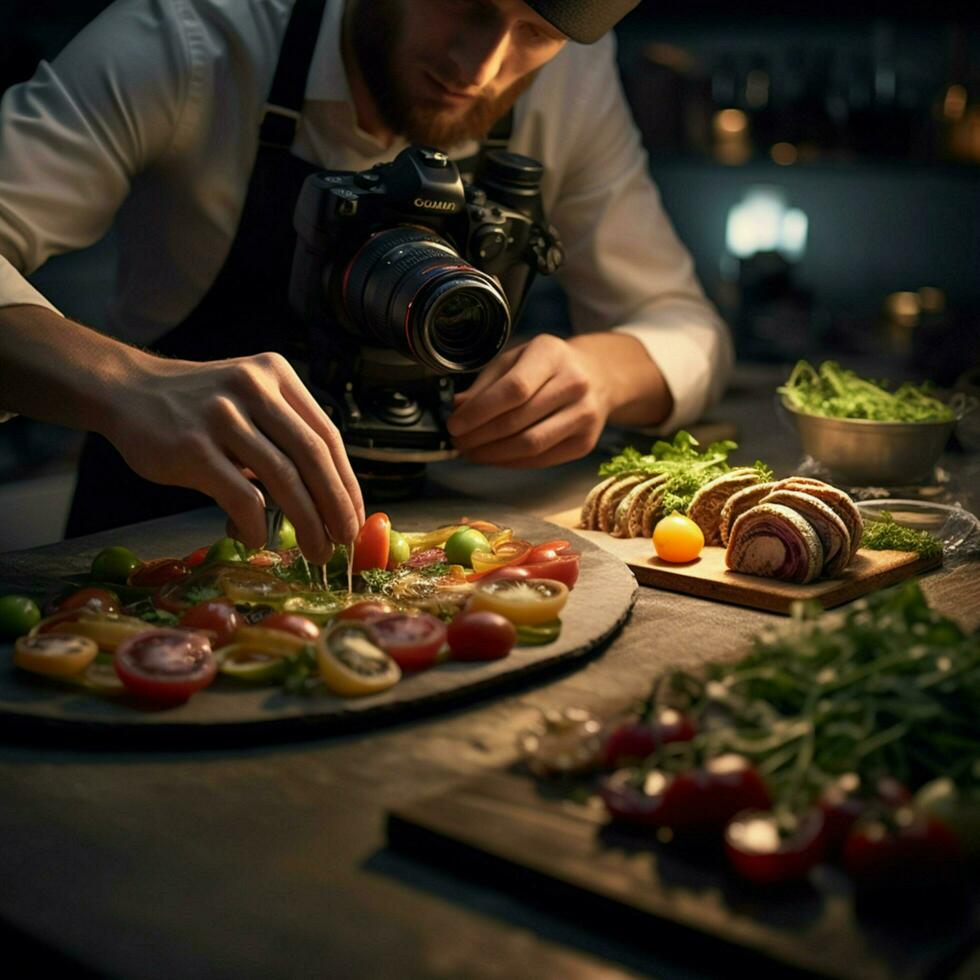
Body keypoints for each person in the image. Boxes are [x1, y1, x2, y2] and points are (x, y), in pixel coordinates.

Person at [0, 0, 732, 563]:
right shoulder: (195, 34)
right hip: (163, 532)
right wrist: (130, 386)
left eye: (534, 33)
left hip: (427, 544)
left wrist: (600, 374)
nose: (480, 67)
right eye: (466, 1)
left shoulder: (569, 73)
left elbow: (682, 323)